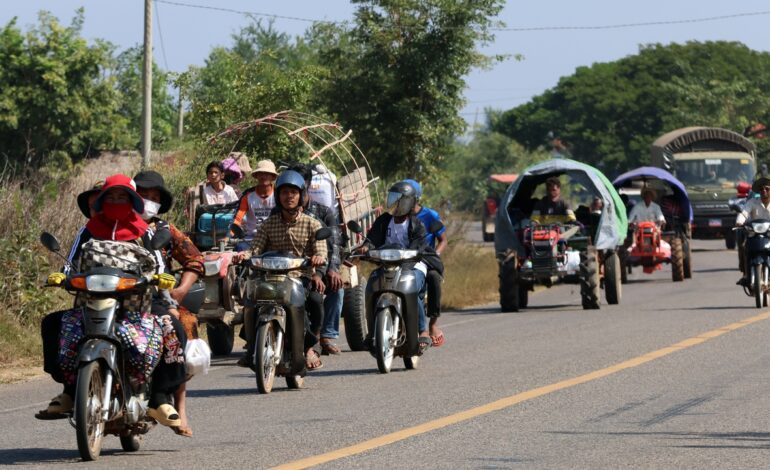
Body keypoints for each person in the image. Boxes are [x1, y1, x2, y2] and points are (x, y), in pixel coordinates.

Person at [37, 175, 184, 430]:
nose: (116, 201)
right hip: (91, 301)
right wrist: (63, 275)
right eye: (111, 196)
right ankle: (70, 390)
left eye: (122, 196)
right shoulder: (89, 229)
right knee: (53, 324)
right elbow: (72, 259)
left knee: (171, 329)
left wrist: (162, 277)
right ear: (103, 200)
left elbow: (157, 261)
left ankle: (160, 398)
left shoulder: (144, 230)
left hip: (135, 304)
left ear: (133, 201)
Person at [233, 170, 328, 370]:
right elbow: (255, 248)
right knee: (250, 302)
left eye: (293, 192)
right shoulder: (268, 224)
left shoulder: (312, 224)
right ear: (278, 196)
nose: (289, 196)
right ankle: (251, 349)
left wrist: (318, 258)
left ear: (301, 196)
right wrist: (245, 255)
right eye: (284, 192)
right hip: (269, 277)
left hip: (299, 277)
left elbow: (321, 249)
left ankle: (309, 347)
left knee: (314, 300)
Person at [134, 170, 205, 438]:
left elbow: (195, 260)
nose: (148, 201)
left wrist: (181, 290)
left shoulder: (165, 230)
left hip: (158, 297)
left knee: (181, 326)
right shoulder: (116, 225)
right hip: (119, 296)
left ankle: (179, 406)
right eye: (143, 195)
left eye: (154, 198)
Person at [362, 181, 436, 353]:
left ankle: (422, 330)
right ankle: (371, 333)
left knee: (411, 288)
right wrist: (366, 247)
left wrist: (411, 256)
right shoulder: (383, 220)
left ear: (410, 203)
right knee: (371, 286)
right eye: (394, 199)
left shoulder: (417, 224)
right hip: (387, 264)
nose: (397, 204)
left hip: (413, 265)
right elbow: (372, 239)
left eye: (402, 200)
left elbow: (419, 247)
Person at [283, 163, 345, 356]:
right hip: (285, 267)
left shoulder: (324, 212)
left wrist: (330, 269)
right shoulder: (279, 212)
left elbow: (333, 243)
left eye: (296, 188)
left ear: (307, 186)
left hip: (318, 266)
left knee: (335, 288)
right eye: (287, 189)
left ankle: (325, 336)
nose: (291, 195)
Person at [403, 179, 446, 348]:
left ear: (415, 198)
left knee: (434, 278)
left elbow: (443, 240)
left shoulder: (430, 215)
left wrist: (435, 255)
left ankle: (433, 323)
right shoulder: (397, 215)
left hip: (425, 258)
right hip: (402, 258)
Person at [232, 159, 278, 250]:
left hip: (274, 238)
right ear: (256, 176)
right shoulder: (248, 195)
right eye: (260, 173)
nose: (263, 176)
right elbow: (238, 218)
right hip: (252, 238)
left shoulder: (279, 194)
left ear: (273, 177)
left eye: (267, 174)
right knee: (239, 248)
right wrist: (228, 235)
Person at [736, 177, 770, 287]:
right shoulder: (752, 202)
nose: (764, 191)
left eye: (767, 189)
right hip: (753, 234)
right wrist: (739, 222)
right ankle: (746, 274)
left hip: (769, 235)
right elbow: (744, 213)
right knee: (743, 246)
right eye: (761, 189)